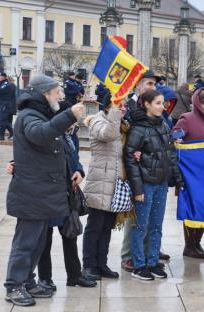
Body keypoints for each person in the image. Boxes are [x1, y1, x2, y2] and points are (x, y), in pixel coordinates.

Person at [4, 75, 85, 307]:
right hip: (32, 192)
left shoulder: (41, 114)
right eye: (56, 92)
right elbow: (40, 135)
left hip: (43, 193)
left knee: (38, 243)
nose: (60, 96)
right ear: (44, 94)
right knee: (25, 243)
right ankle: (14, 285)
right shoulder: (29, 116)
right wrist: (69, 115)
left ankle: (28, 281)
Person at [125, 90, 183, 280]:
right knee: (141, 225)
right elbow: (131, 159)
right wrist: (138, 188)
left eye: (162, 103)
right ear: (147, 104)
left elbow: (170, 154)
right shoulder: (138, 128)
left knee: (156, 225)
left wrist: (177, 179)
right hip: (146, 184)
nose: (162, 106)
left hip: (161, 183)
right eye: (158, 103)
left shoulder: (164, 125)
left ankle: (152, 261)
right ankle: (139, 265)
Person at [82, 94, 128, 281]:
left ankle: (101, 264)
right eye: (120, 104)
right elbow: (108, 135)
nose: (124, 108)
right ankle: (89, 266)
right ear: (109, 105)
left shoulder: (119, 122)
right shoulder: (97, 121)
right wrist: (116, 114)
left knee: (107, 227)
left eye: (124, 105)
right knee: (95, 226)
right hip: (99, 181)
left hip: (114, 183)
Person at [173, 87, 204, 259]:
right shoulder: (187, 119)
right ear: (196, 103)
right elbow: (174, 136)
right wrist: (176, 140)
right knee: (191, 208)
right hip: (191, 174)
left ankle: (197, 242)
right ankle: (189, 245)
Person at [120, 70, 158, 272]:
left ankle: (146, 251)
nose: (153, 88)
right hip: (133, 167)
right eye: (149, 84)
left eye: (154, 84)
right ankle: (129, 255)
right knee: (134, 212)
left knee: (149, 213)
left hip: (150, 167)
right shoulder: (128, 107)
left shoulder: (151, 105)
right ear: (138, 85)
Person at [0, 72, 16, 140]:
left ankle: (2, 135)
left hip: (4, 105)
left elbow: (0, 90)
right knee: (3, 120)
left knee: (2, 120)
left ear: (3, 77)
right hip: (2, 105)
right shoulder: (3, 83)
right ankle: (11, 131)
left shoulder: (6, 84)